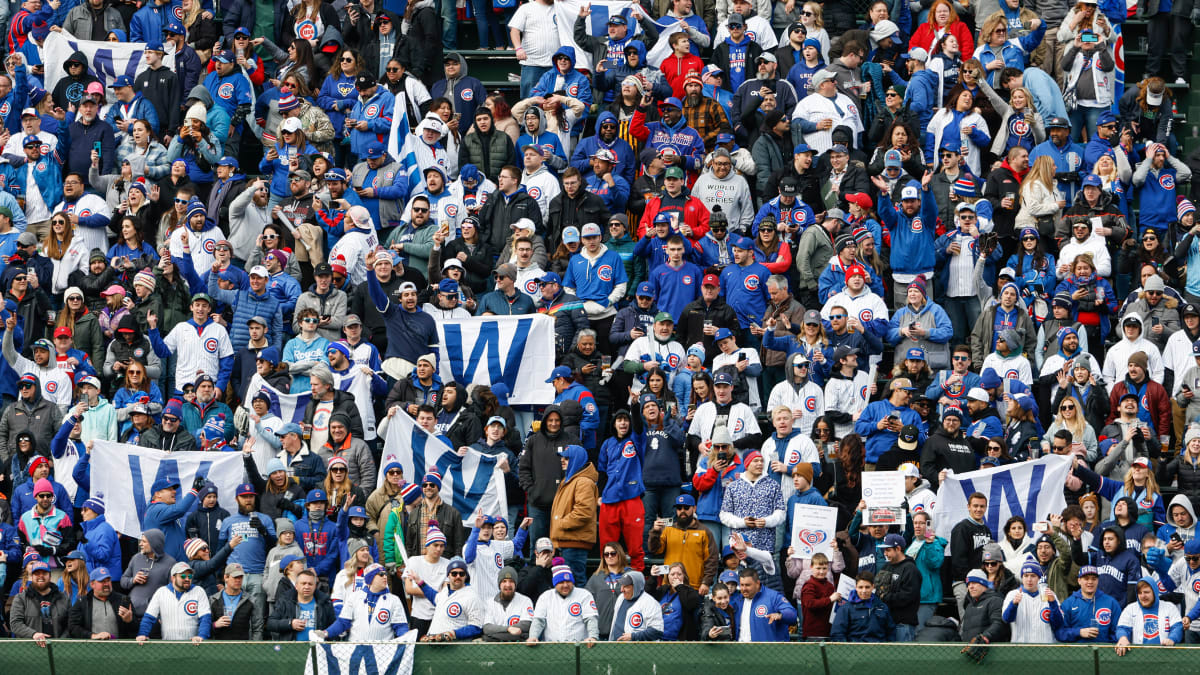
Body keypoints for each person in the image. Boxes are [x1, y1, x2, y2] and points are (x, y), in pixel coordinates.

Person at [311, 563, 410, 642]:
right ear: (370, 578)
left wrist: (406, 637)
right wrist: (325, 633)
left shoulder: (394, 600)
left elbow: (400, 626)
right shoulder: (354, 597)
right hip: (357, 650)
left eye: (385, 574)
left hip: (382, 653)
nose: (385, 577)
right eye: (380, 574)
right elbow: (342, 623)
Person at [136, 561, 212, 643]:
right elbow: (149, 617)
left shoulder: (199, 591)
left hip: (194, 644)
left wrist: (202, 636)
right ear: (173, 578)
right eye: (183, 576)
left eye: (189, 576)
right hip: (168, 645)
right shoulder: (161, 592)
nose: (187, 579)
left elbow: (205, 618)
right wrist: (142, 634)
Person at [527, 560, 600, 644]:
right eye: (561, 582)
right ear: (555, 583)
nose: (565, 585)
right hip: (552, 647)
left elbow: (591, 618)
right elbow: (538, 620)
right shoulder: (546, 596)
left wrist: (593, 636)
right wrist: (533, 636)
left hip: (579, 646)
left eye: (568, 581)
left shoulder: (584, 594)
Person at [1115, 576, 1183, 653]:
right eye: (1140, 593)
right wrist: (1123, 638)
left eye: (1146, 592)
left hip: (1165, 654)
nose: (1143, 596)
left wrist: (1172, 639)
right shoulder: (1130, 608)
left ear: (1154, 592)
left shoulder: (1169, 607)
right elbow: (1122, 628)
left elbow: (1177, 627)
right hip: (1138, 655)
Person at [830, 571, 896, 642]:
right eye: (860, 587)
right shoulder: (845, 609)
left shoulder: (882, 607)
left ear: (873, 587)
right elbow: (837, 634)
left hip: (879, 649)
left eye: (867, 587)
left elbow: (891, 632)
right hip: (854, 650)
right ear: (856, 587)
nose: (864, 591)